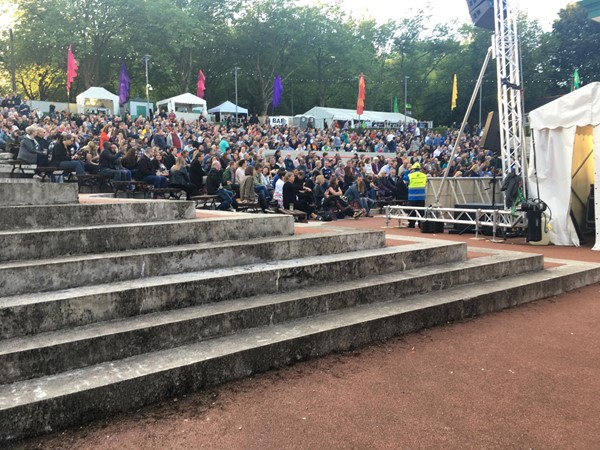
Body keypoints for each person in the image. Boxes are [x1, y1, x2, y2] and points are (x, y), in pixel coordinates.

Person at [404, 162, 427, 228]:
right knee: (421, 211)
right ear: (419, 169)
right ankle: (421, 224)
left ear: (413, 169)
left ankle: (411, 224)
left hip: (412, 197)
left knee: (411, 211)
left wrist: (408, 170)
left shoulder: (410, 175)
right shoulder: (424, 175)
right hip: (421, 197)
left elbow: (404, 177)